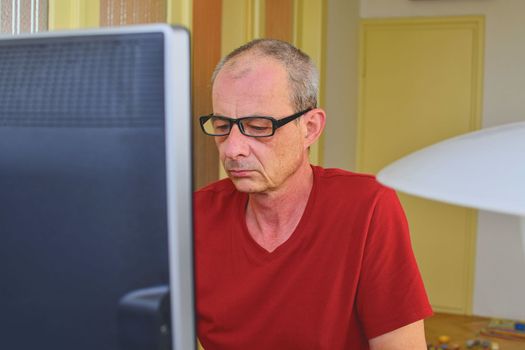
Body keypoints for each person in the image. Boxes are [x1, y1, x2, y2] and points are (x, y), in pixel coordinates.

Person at [194, 38, 433, 350]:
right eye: (223, 126)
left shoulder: (367, 206)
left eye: (258, 126)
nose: (233, 149)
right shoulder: (195, 215)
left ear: (310, 128)